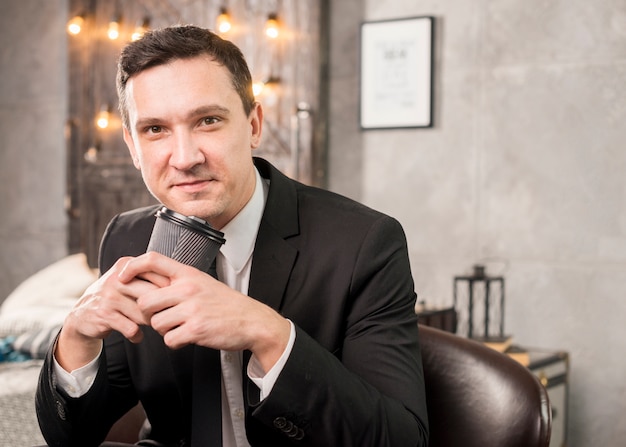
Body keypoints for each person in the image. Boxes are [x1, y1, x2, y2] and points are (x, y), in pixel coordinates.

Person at [36, 25, 428, 447]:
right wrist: (74, 339)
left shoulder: (364, 243)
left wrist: (270, 334)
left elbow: (401, 439)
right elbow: (71, 437)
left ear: (254, 124)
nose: (185, 158)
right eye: (155, 130)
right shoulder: (127, 238)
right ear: (133, 146)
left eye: (208, 121)